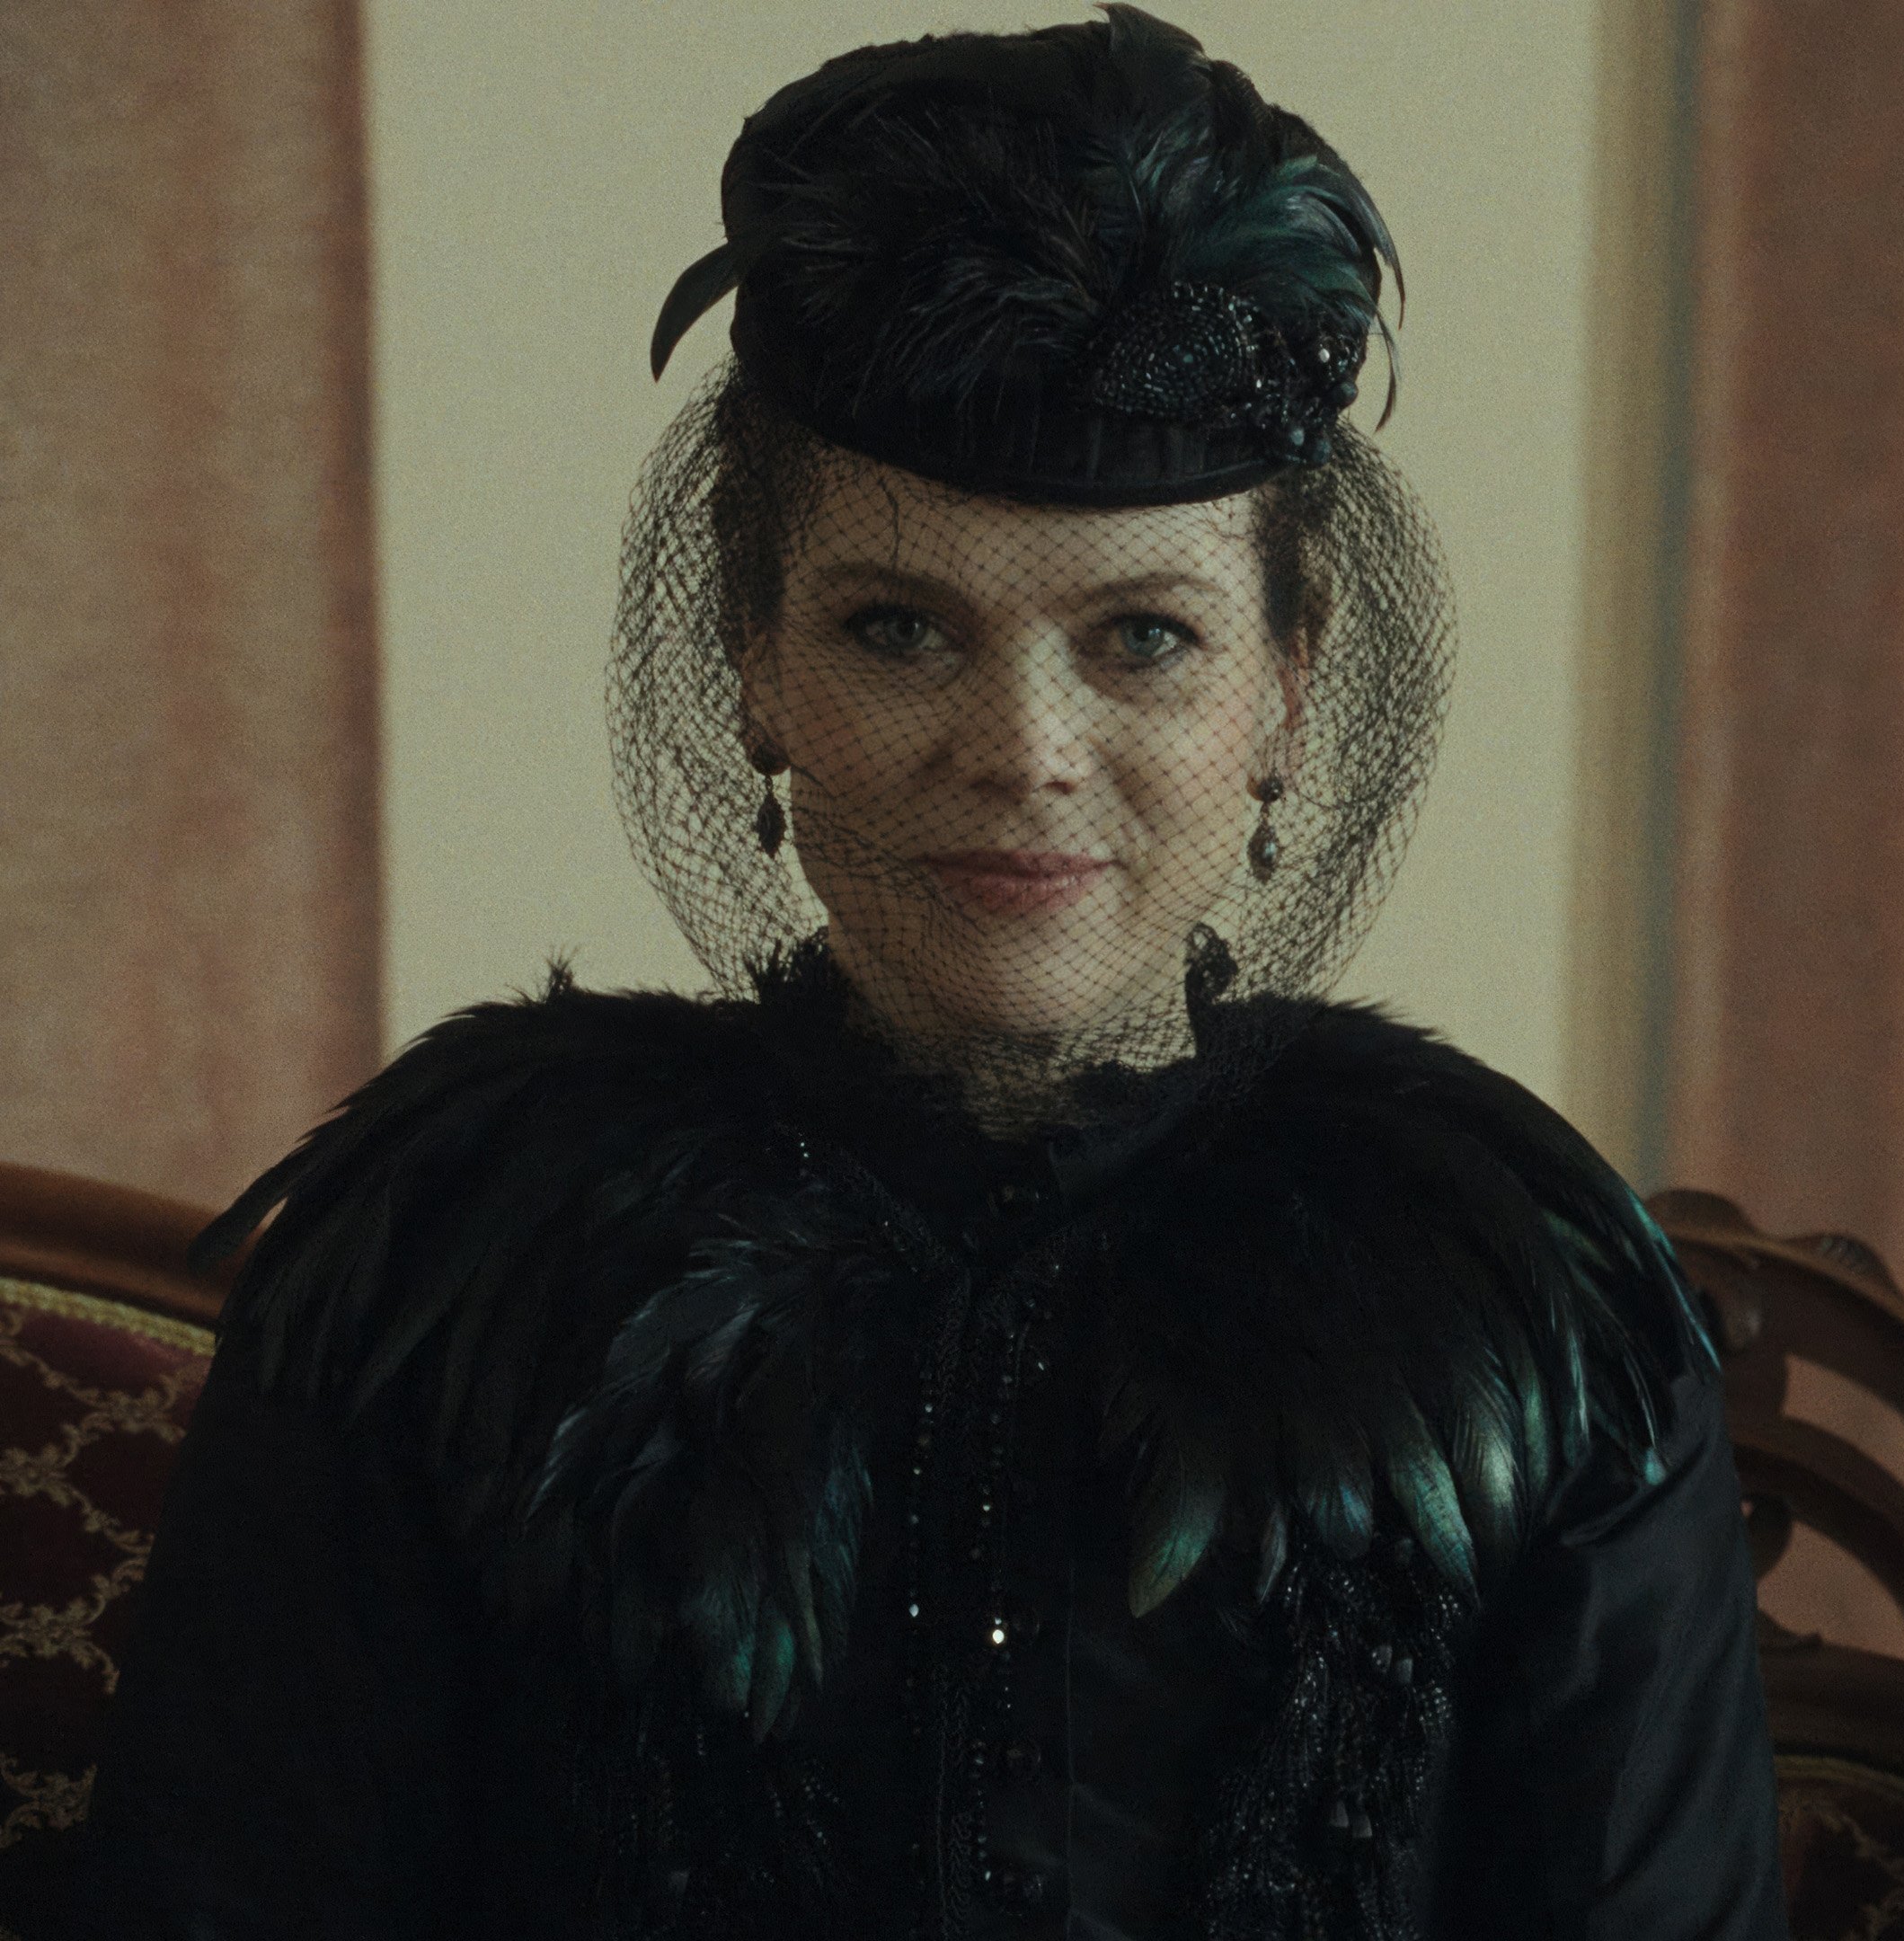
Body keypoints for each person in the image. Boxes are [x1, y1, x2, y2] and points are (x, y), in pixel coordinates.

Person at [80, 11, 1783, 1937]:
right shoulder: (444, 1257)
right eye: (901, 628)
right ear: (753, 662)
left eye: (1144, 638)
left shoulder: (1529, 1309)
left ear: (1289, 686)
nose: (1025, 750)